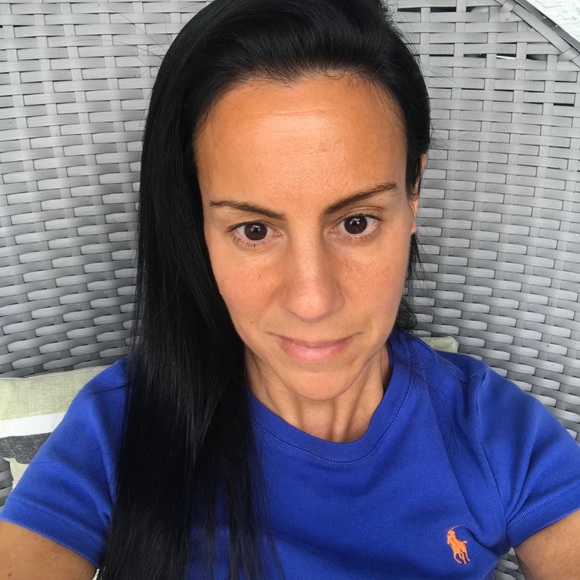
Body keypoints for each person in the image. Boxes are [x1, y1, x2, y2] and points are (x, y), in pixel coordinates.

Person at [1, 0, 580, 578]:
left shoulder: (494, 434)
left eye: (356, 222)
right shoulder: (119, 431)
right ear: (198, 225)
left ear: (413, 195)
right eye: (254, 230)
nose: (312, 300)